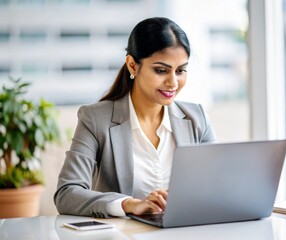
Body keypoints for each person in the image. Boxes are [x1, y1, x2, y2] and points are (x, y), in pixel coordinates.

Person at [54, 17, 217, 218]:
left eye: (180, 70)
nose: (173, 82)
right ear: (132, 65)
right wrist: (129, 204)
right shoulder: (95, 119)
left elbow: (216, 185)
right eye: (161, 70)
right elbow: (66, 193)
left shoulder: (197, 119)